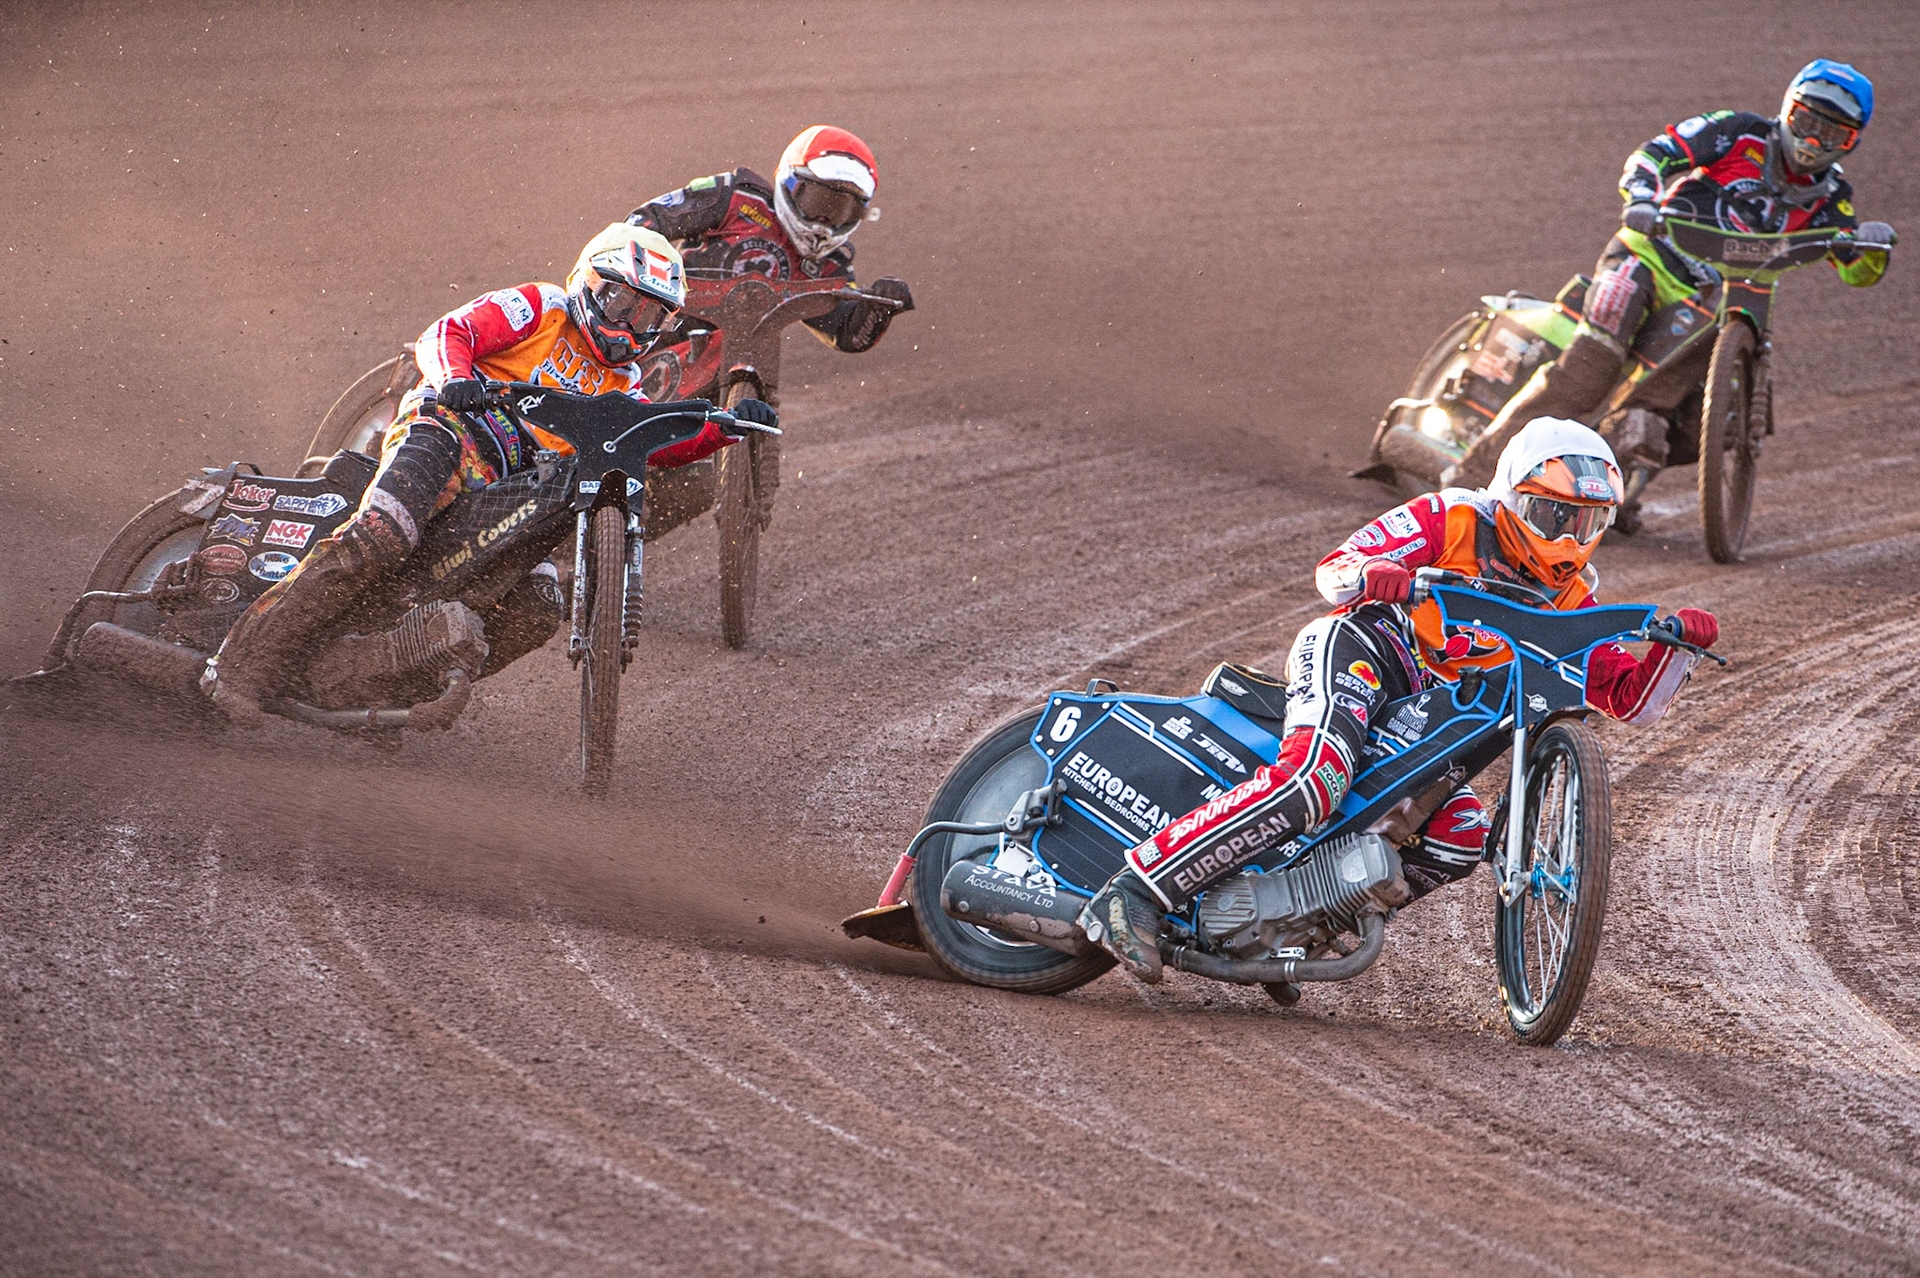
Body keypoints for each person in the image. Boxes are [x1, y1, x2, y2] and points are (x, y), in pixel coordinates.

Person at [1079, 418, 1720, 983]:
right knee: (1315, 780)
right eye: (1559, 516)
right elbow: (1336, 568)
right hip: (1363, 647)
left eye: (1590, 521)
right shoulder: (1453, 515)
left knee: (1461, 835)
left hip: (1422, 712)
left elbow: (1631, 701)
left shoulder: (1573, 602)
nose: (1573, 537)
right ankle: (1133, 890)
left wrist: (1678, 647)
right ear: (1517, 499)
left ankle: (1289, 924)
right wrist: (1372, 575)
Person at [203, 223, 775, 723]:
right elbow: (449, 331)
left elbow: (652, 446)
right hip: (447, 432)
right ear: (588, 283)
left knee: (536, 611)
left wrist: (726, 429)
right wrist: (455, 375)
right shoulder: (541, 307)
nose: (629, 327)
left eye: (648, 316)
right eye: (621, 304)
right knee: (385, 533)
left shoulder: (623, 387)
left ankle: (375, 680)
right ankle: (239, 666)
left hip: (509, 491)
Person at [1444, 60, 1896, 495]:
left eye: (1832, 132)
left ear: (1852, 141)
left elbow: (1855, 270)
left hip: (1720, 301)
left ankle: (1610, 491)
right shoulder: (1738, 132)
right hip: (1648, 258)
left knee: (1712, 418)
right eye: (1805, 121)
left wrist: (1869, 249)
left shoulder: (1834, 197)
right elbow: (1658, 152)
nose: (1813, 140)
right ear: (1787, 108)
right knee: (1587, 371)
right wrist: (1642, 196)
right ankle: (1467, 482)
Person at [628, 124, 915, 366]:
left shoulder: (828, 266)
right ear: (790, 182)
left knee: (759, 414)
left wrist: (879, 308)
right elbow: (649, 220)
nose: (822, 219)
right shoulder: (736, 197)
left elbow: (846, 332)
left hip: (743, 363)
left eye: (840, 209)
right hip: (652, 331)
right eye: (818, 202)